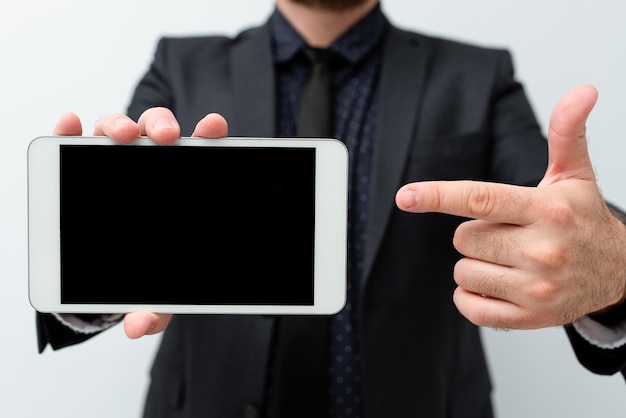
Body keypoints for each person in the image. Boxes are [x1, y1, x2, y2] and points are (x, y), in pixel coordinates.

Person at [37, 0, 626, 417]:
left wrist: (611, 262)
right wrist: (90, 253)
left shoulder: (478, 74)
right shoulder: (181, 64)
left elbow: (555, 217)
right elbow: (121, 235)